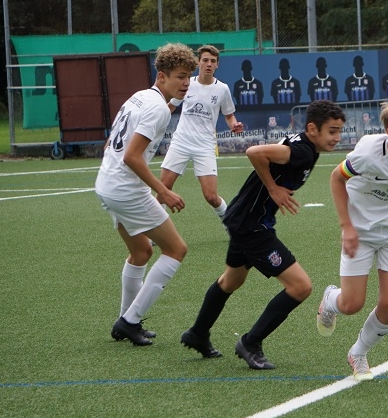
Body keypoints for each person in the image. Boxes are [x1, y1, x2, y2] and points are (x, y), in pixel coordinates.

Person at [180, 101, 347, 368]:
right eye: (332, 131)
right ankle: (250, 342)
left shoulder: (306, 146)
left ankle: (198, 333)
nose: (337, 137)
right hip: (251, 225)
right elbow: (254, 151)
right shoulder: (302, 151)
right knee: (300, 287)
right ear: (312, 128)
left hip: (244, 218)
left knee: (231, 281)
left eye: (340, 131)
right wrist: (272, 188)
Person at [316, 97, 388, 381]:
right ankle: (330, 300)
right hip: (360, 231)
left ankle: (358, 353)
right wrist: (346, 226)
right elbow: (336, 178)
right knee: (351, 305)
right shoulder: (368, 153)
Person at [96, 43, 198, 346]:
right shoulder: (157, 108)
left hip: (106, 185)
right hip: (126, 190)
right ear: (162, 75)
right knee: (176, 249)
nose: (186, 83)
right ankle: (129, 321)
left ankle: (127, 319)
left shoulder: (139, 97)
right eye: (180, 77)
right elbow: (132, 157)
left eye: (188, 77)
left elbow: (111, 145)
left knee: (141, 252)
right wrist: (164, 191)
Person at [160, 45, 245, 220]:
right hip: (181, 142)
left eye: (213, 61)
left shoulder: (222, 89)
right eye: (205, 60)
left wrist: (234, 125)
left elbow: (229, 116)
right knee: (163, 188)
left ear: (217, 65)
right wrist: (153, 118)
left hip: (205, 146)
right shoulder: (187, 83)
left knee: (211, 197)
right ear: (198, 62)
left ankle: (232, 224)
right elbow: (170, 107)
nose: (208, 64)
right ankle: (153, 231)